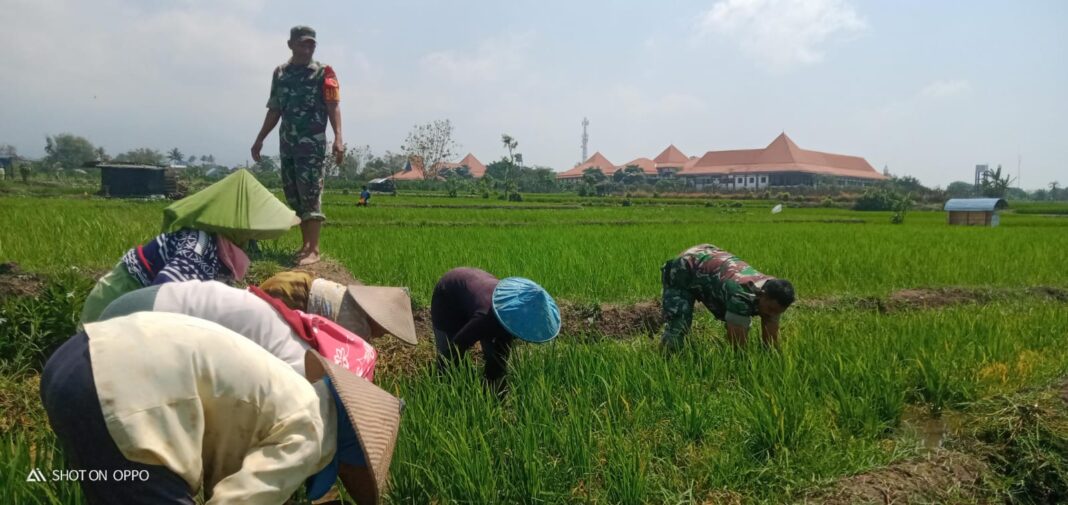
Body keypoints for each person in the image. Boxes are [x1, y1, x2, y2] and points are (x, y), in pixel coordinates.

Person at [40, 312, 402, 505]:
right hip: (120, 395)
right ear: (346, 451)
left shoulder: (292, 393)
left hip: (74, 360)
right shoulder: (313, 431)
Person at [251, 25, 344, 267]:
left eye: (312, 43)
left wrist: (338, 138)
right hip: (288, 145)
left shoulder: (324, 72)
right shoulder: (280, 73)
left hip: (311, 145)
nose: (308, 47)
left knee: (311, 192)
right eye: (303, 43)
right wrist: (260, 138)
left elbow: (333, 106)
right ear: (290, 44)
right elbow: (275, 108)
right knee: (294, 194)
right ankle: (304, 245)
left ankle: (314, 249)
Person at [430, 267, 560, 394]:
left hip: (474, 291)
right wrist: (440, 380)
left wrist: (496, 388)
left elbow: (499, 359)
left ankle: (490, 394)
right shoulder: (485, 318)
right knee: (452, 363)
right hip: (448, 296)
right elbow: (455, 349)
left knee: (497, 359)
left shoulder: (513, 316)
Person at [79, 228, 248, 324]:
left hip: (136, 305)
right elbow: (162, 292)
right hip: (121, 295)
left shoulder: (218, 254)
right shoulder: (199, 245)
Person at [660, 244, 795, 351]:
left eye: (777, 312)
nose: (771, 314)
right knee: (679, 322)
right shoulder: (741, 295)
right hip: (685, 267)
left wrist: (771, 356)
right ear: (761, 294)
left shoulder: (775, 292)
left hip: (710, 259)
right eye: (770, 309)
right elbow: (737, 348)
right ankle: (667, 357)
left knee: (738, 315)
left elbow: (771, 340)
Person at [258, 270, 419, 346]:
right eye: (384, 330)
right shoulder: (357, 330)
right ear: (376, 319)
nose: (382, 335)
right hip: (290, 297)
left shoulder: (354, 299)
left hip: (294, 280)